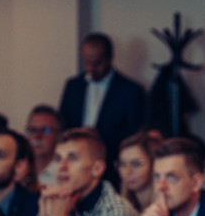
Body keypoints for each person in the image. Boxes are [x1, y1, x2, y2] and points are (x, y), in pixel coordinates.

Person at [58, 32, 146, 184]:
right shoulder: (73, 86)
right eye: (87, 62)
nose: (91, 68)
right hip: (75, 165)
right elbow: (62, 122)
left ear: (110, 57)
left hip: (112, 166)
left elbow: (135, 133)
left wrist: (99, 135)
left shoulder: (131, 90)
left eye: (97, 63)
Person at [117, 129, 162, 212]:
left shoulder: (165, 210)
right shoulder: (121, 209)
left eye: (136, 164)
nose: (128, 172)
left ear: (154, 166)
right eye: (122, 164)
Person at [25, 105, 61, 189]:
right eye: (32, 130)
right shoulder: (17, 171)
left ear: (58, 135)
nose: (37, 135)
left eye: (45, 130)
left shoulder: (64, 173)